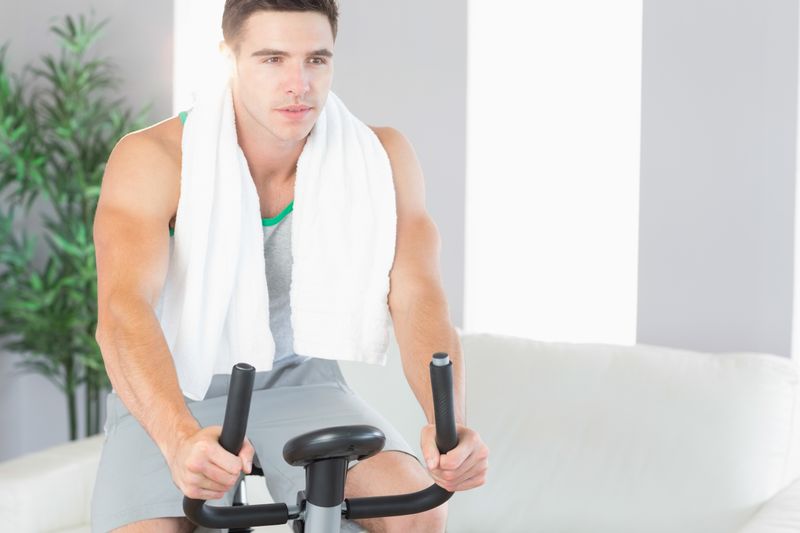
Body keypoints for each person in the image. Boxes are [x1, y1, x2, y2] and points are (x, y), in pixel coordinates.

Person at [91, 1, 489, 531]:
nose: (299, 84)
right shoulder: (155, 159)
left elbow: (418, 297)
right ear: (229, 59)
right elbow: (123, 310)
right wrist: (177, 437)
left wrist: (450, 427)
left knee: (419, 513)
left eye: (316, 60)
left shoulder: (380, 157)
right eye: (272, 59)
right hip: (175, 391)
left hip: (305, 385)